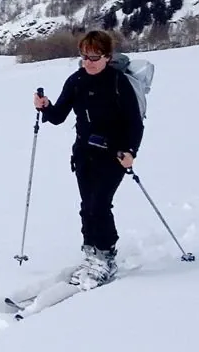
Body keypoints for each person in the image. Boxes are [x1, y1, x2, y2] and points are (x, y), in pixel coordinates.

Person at [32, 30, 143, 287]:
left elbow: (135, 123)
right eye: (84, 57)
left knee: (100, 204)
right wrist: (45, 106)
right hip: (83, 153)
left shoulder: (118, 82)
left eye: (94, 57)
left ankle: (105, 255)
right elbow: (59, 116)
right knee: (87, 205)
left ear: (107, 57)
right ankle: (91, 252)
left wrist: (131, 152)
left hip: (114, 155)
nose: (88, 62)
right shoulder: (76, 81)